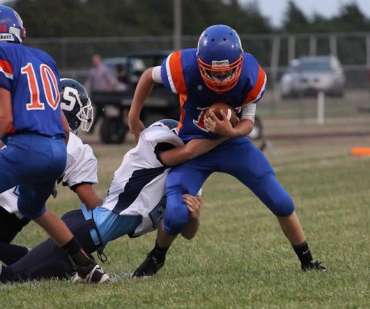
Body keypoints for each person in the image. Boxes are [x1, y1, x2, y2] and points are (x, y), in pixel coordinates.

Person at [128, 23, 326, 277]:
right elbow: (148, 76)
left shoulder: (251, 75)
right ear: (199, 63)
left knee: (281, 201)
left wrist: (229, 132)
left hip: (232, 145)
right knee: (176, 214)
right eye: (213, 73)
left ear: (239, 63)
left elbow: (248, 122)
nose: (220, 79)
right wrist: (134, 114)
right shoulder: (183, 66)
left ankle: (307, 261)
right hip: (193, 145)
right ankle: (156, 257)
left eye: (227, 73)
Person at [0, 120, 224, 284]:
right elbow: (186, 152)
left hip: (87, 235)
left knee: (34, 267)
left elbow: (185, 232)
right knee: (12, 277)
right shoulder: (155, 158)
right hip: (81, 230)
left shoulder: (185, 182)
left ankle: (38, 257)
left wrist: (194, 217)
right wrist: (226, 135)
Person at [0, 5, 108, 283]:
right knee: (34, 208)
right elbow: (63, 126)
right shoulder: (44, 59)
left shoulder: (3, 56)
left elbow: (4, 116)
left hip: (25, 148)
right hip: (56, 151)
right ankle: (86, 265)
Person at [0, 78, 101, 265]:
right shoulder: (77, 148)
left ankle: (41, 260)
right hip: (18, 212)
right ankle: (41, 259)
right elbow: (89, 200)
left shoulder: (28, 125)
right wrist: (114, 210)